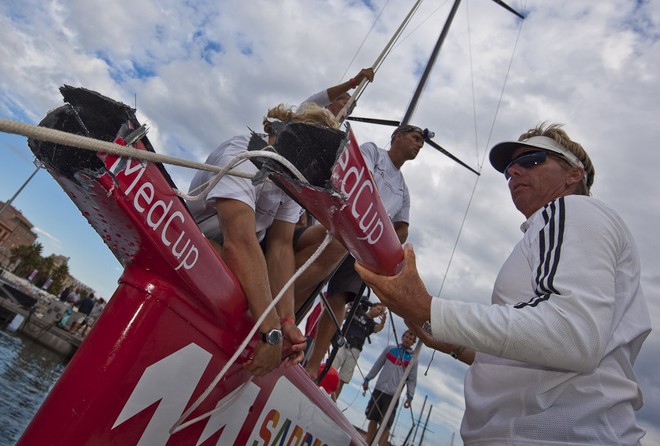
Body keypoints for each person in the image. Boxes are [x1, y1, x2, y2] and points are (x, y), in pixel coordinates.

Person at [355, 123, 652, 445]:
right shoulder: (546, 233)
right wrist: (453, 342)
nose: (514, 171)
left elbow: (573, 333)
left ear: (573, 174)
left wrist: (430, 309)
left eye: (532, 160)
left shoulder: (573, 209)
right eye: (509, 168)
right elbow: (543, 349)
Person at [186, 102, 341, 377]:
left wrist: (287, 319)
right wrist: (271, 333)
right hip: (194, 243)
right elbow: (240, 241)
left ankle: (261, 315)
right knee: (234, 258)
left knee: (333, 244)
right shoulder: (244, 153)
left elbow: (280, 248)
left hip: (231, 257)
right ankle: (260, 319)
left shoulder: (293, 175)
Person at [303, 123, 426, 379]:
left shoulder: (404, 190)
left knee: (340, 298)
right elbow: (361, 182)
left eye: (422, 143)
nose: (419, 145)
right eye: (415, 138)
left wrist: (381, 237)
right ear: (397, 136)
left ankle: (313, 367)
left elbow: (402, 228)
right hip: (340, 227)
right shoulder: (372, 152)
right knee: (312, 275)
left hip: (365, 247)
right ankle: (281, 322)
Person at [362, 329, 418, 446]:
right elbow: (378, 364)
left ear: (413, 342)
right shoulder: (390, 349)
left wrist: (410, 396)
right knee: (373, 418)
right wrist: (368, 379)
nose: (408, 339)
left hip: (392, 395)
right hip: (379, 389)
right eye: (406, 336)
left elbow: (412, 380)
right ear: (402, 337)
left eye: (411, 339)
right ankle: (368, 443)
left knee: (386, 424)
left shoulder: (413, 360)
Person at [331, 300, 386, 400]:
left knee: (343, 377)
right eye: (378, 309)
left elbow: (378, 328)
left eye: (380, 312)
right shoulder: (359, 310)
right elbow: (349, 308)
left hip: (355, 349)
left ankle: (333, 399)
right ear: (372, 306)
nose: (378, 312)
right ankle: (323, 388)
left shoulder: (371, 325)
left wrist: (383, 323)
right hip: (344, 341)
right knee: (332, 366)